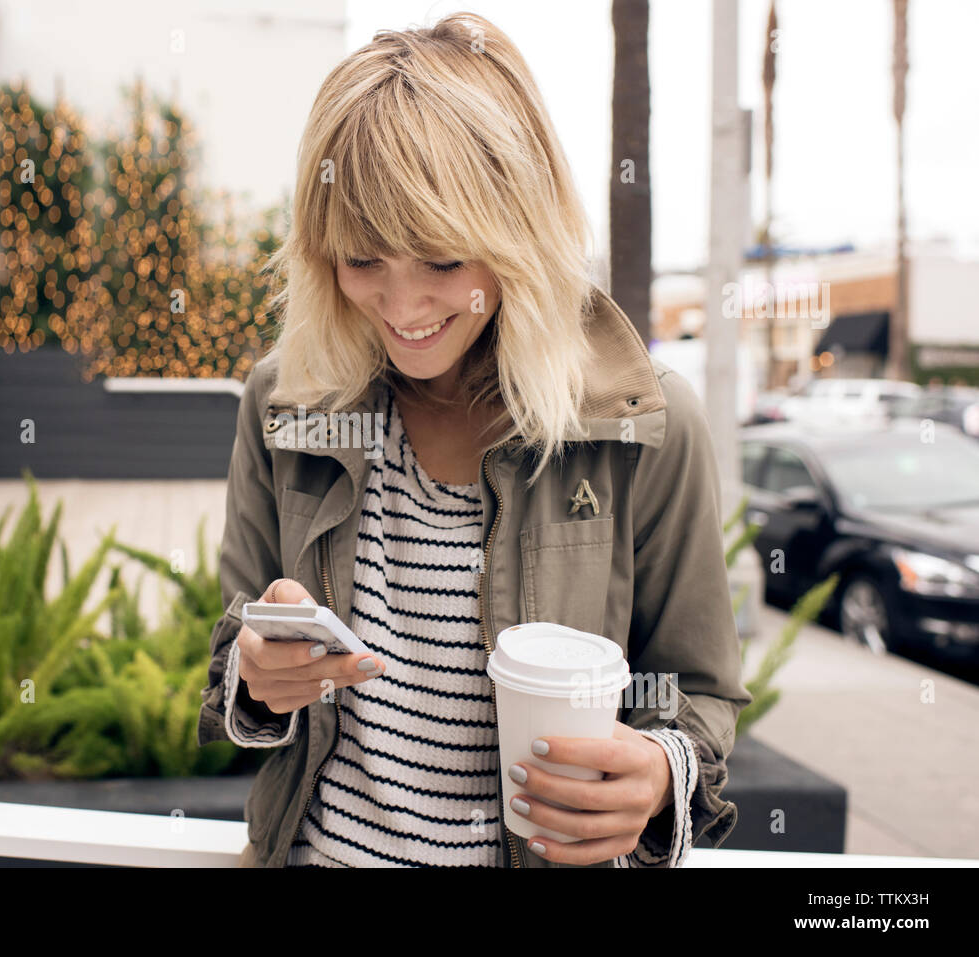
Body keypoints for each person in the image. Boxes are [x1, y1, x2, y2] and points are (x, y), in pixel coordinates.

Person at [198, 11, 751, 868]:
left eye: (444, 261)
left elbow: (699, 694)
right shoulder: (286, 401)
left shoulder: (647, 427)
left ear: (519, 236)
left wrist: (658, 771)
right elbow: (235, 650)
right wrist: (258, 675)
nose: (403, 307)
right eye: (362, 258)